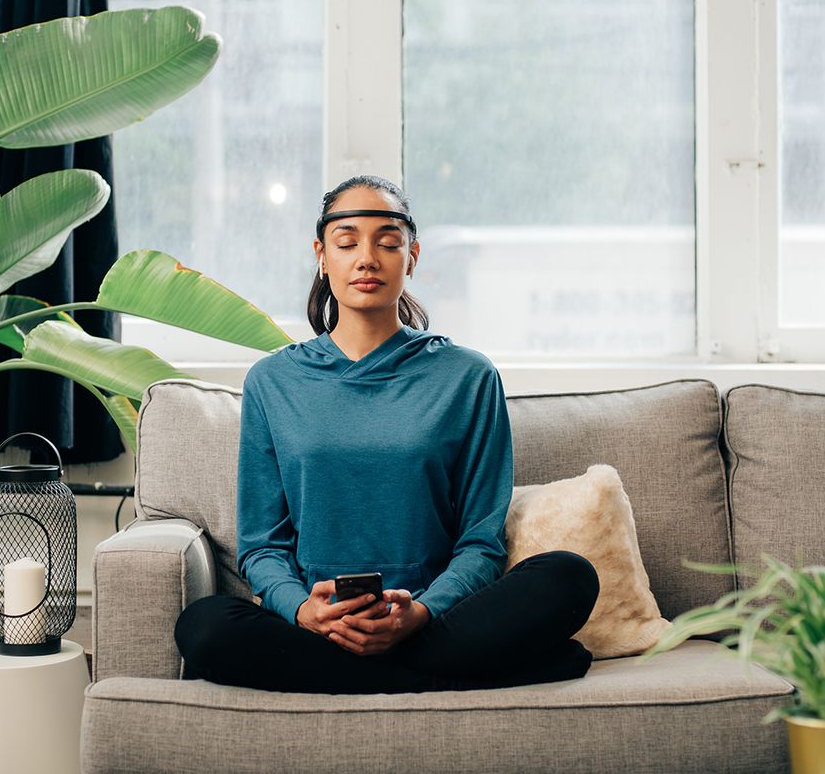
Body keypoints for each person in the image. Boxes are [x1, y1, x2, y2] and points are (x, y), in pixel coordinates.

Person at [174, 175, 599, 694]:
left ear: (412, 257)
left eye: (388, 243)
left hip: (436, 621)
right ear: (321, 255)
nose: (367, 258)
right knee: (203, 627)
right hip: (321, 628)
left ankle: (376, 672)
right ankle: (448, 672)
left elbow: (481, 542)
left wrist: (420, 613)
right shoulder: (273, 382)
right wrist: (305, 612)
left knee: (568, 576)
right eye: (347, 242)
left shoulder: (468, 377)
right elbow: (263, 545)